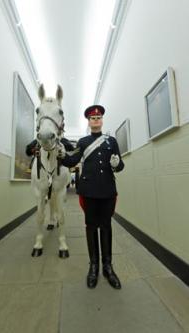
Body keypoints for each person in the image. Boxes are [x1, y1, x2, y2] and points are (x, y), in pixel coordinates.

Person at [57, 105, 125, 289]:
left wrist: (117, 164)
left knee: (106, 226)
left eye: (99, 117)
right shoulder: (83, 142)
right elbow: (72, 161)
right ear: (88, 121)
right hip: (89, 191)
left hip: (108, 190)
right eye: (92, 118)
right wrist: (61, 155)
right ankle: (94, 266)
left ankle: (108, 267)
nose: (96, 120)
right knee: (91, 227)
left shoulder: (111, 141)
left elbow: (120, 165)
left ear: (102, 120)